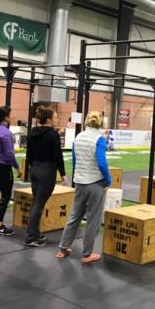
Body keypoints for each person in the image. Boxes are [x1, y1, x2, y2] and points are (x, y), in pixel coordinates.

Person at [56, 111, 111, 263]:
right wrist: (108, 179)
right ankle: (87, 254)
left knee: (74, 216)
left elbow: (75, 161)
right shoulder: (100, 139)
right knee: (93, 219)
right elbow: (101, 162)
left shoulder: (78, 137)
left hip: (80, 182)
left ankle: (62, 249)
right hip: (95, 183)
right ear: (101, 123)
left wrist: (80, 174)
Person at [24, 106, 67, 247]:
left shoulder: (32, 132)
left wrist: (34, 167)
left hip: (35, 169)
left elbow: (29, 155)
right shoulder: (52, 134)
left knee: (36, 202)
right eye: (55, 118)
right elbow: (58, 156)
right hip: (47, 171)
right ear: (48, 120)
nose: (57, 120)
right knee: (38, 204)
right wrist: (63, 174)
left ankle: (34, 233)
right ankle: (30, 237)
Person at [0, 106, 21, 235]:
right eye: (11, 115)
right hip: (3, 167)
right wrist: (17, 167)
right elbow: (9, 153)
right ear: (6, 117)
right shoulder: (5, 132)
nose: (13, 116)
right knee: (5, 195)